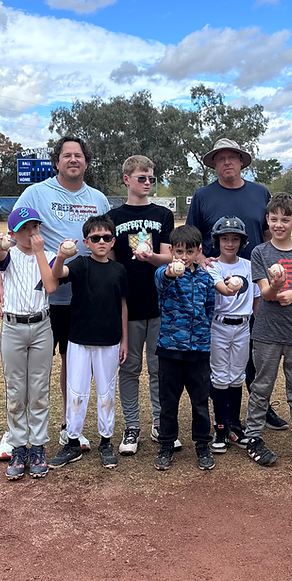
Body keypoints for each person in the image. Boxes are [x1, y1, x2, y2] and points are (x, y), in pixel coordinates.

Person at [0, 136, 109, 460]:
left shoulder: (98, 199)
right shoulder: (35, 193)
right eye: (67, 155)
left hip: (83, 298)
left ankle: (68, 426)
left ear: (86, 161)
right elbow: (8, 243)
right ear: (56, 161)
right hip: (43, 301)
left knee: (73, 366)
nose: (73, 160)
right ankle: (13, 435)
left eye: (79, 156)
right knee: (27, 373)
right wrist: (0, 284)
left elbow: (106, 243)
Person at [186, 137, 287, 431]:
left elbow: (269, 235)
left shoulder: (259, 192)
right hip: (217, 281)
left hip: (255, 281)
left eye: (232, 157)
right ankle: (221, 414)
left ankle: (260, 406)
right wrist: (203, 260)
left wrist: (273, 266)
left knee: (257, 350)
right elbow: (193, 238)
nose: (227, 162)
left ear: (242, 161)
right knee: (217, 352)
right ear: (214, 164)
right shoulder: (203, 195)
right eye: (220, 158)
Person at [244, 193, 292, 470]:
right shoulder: (260, 252)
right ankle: (252, 437)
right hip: (266, 332)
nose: (279, 224)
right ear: (267, 219)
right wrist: (277, 286)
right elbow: (265, 294)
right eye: (274, 219)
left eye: (285, 220)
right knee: (261, 387)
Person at [107, 155, 178, 456]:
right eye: (141, 178)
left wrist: (150, 258)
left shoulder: (163, 214)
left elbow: (169, 256)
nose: (148, 183)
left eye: (151, 178)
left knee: (159, 368)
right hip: (129, 304)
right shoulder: (114, 216)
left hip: (160, 302)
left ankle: (162, 423)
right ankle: (132, 425)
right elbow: (110, 263)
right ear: (127, 180)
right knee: (130, 367)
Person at [47, 215, 128, 470]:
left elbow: (123, 305)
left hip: (109, 340)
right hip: (79, 340)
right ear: (86, 242)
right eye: (95, 238)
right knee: (76, 392)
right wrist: (61, 255)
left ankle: (106, 441)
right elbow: (58, 274)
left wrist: (124, 339)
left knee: (106, 392)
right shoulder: (81, 264)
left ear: (113, 241)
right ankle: (72, 441)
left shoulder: (118, 270)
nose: (101, 241)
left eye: (106, 237)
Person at [0, 206, 58, 480]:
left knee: (39, 389)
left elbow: (51, 285)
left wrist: (41, 250)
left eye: (35, 227)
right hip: (13, 327)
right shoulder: (10, 255)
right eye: (24, 229)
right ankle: (19, 447)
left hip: (42, 326)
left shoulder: (49, 255)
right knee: (16, 391)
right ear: (13, 234)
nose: (31, 234)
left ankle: (38, 446)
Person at [152, 225, 217, 471]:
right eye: (179, 251)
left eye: (189, 252)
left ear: (198, 251)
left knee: (200, 401)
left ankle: (202, 445)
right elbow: (161, 282)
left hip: (198, 350)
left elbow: (209, 310)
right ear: (171, 251)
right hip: (169, 349)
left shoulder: (205, 279)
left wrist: (202, 337)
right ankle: (166, 444)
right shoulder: (164, 273)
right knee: (168, 401)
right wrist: (170, 273)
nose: (184, 257)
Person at [207, 216, 259, 453]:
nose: (230, 243)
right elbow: (221, 289)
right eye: (225, 238)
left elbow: (256, 297)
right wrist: (228, 287)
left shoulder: (248, 266)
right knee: (220, 376)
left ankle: (235, 425)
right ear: (217, 241)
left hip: (243, 325)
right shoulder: (212, 266)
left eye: (235, 239)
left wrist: (255, 325)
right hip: (219, 325)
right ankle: (220, 427)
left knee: (237, 376)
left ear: (242, 241)